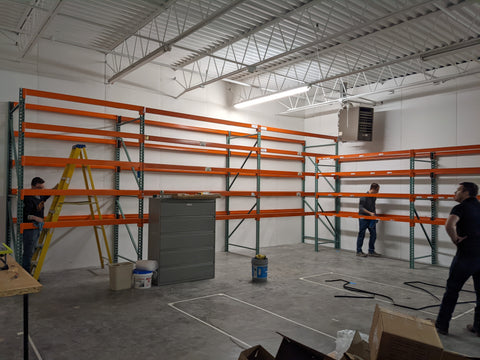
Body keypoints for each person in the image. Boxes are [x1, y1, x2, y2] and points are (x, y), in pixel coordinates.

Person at [435, 182, 480, 337]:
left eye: (458, 190)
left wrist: (455, 239)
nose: (455, 192)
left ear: (466, 192)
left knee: (452, 290)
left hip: (466, 256)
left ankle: (442, 325)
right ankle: (478, 327)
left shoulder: (460, 208)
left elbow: (449, 225)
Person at [22, 177, 51, 272]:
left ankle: (30, 272)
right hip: (30, 228)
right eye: (39, 187)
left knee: (34, 250)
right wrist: (35, 218)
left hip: (37, 227)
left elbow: (48, 195)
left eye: (43, 187)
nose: (42, 190)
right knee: (28, 252)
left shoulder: (41, 195)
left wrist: (57, 188)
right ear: (32, 187)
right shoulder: (28, 198)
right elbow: (26, 215)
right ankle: (26, 273)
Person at [356, 183, 381, 257]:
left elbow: (373, 207)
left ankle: (371, 251)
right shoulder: (364, 196)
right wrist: (370, 213)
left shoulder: (374, 197)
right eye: (377, 190)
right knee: (361, 234)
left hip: (371, 218)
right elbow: (361, 208)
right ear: (374, 189)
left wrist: (375, 215)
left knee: (373, 234)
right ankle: (359, 251)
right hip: (363, 218)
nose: (378, 192)